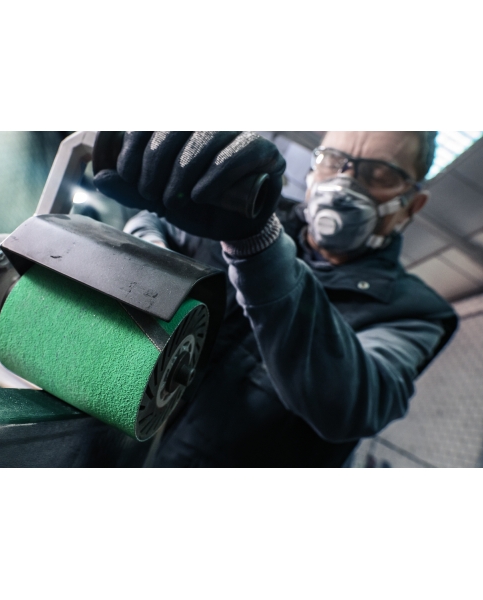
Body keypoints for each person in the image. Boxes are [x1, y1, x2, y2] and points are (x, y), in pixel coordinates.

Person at [93, 131, 458, 467]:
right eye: (333, 160)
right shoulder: (244, 208)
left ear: (412, 204)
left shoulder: (414, 312)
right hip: (111, 444)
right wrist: (153, 252)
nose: (344, 183)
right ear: (314, 168)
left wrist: (257, 245)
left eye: (379, 174)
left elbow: (353, 405)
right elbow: (153, 223)